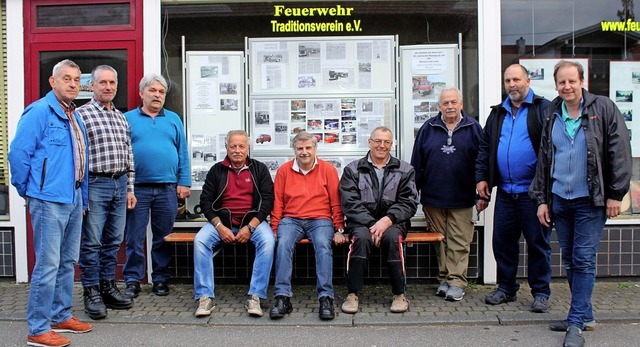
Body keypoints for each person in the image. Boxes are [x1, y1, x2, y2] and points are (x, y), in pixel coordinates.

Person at [530, 60, 631, 347]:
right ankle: (584, 315)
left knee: (583, 259)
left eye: (571, 81)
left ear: (582, 81)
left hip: (591, 200)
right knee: (571, 260)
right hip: (561, 198)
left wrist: (616, 193)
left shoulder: (603, 108)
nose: (567, 86)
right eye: (561, 82)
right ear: (556, 84)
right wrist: (542, 200)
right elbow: (545, 158)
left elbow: (619, 151)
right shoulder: (551, 112)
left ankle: (575, 324)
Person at [9, 59, 93, 347]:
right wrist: (30, 191)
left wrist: (82, 198)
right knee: (47, 265)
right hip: (47, 201)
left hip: (72, 200)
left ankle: (60, 314)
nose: (72, 84)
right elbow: (18, 154)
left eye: (76, 80)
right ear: (52, 82)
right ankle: (37, 328)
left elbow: (82, 161)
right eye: (66, 78)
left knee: (68, 262)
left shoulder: (75, 116)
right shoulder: (39, 112)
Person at [475, 64, 552, 313]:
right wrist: (482, 178)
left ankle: (540, 292)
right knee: (502, 243)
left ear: (528, 80)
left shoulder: (543, 108)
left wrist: (545, 190)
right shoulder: (498, 113)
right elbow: (485, 148)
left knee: (538, 245)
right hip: (506, 193)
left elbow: (552, 148)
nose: (512, 85)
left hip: (534, 194)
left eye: (516, 79)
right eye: (508, 80)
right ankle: (507, 288)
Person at [192, 130, 275, 318]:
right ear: (226, 148)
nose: (237, 150)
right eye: (233, 146)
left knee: (268, 242)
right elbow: (206, 201)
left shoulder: (259, 169)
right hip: (223, 222)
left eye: (241, 146)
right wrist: (220, 227)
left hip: (252, 222)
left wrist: (251, 227)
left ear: (248, 148)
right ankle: (205, 296)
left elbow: (268, 201)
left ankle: (256, 296)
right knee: (200, 241)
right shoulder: (217, 170)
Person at [410, 87, 482, 301]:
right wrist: (415, 191)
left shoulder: (473, 128)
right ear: (439, 106)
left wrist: (481, 190)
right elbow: (418, 162)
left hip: (462, 197)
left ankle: (457, 282)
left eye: (453, 102)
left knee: (459, 241)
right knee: (440, 241)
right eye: (445, 103)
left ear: (461, 104)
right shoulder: (428, 127)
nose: (449, 106)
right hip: (433, 197)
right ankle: (444, 279)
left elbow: (482, 161)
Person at [123, 73, 191, 298]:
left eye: (161, 92)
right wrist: (126, 187)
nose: (157, 95)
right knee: (134, 237)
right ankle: (133, 280)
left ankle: (160, 278)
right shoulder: (127, 119)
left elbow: (182, 152)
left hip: (167, 188)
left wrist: (184, 181)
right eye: (152, 90)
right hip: (137, 188)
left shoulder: (173, 119)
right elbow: (122, 154)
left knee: (163, 236)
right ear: (141, 93)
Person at [77, 65, 136, 320]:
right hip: (95, 184)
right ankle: (90, 291)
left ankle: (107, 286)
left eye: (112, 82)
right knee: (92, 242)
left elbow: (129, 154)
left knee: (113, 241)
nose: (108, 87)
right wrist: (80, 193)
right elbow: (77, 157)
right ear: (92, 85)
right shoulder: (82, 115)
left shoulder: (121, 117)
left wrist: (130, 187)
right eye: (103, 82)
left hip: (120, 184)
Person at [269, 131, 349, 320]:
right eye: (300, 148)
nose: (304, 152)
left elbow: (335, 202)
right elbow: (278, 202)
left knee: (323, 246)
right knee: (283, 245)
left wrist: (339, 229)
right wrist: (274, 229)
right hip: (291, 219)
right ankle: (282, 297)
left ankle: (326, 298)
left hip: (320, 220)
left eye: (308, 148)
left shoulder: (328, 170)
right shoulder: (284, 170)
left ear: (315, 149)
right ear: (294, 150)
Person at [339, 126, 418, 314]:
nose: (382, 145)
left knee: (392, 239)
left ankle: (399, 294)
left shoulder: (405, 169)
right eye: (378, 141)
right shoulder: (352, 169)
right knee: (361, 239)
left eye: (386, 142)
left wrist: (387, 220)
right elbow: (349, 203)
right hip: (361, 223)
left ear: (391, 145)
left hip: (393, 222)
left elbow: (409, 202)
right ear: (369, 142)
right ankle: (352, 294)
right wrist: (373, 224)